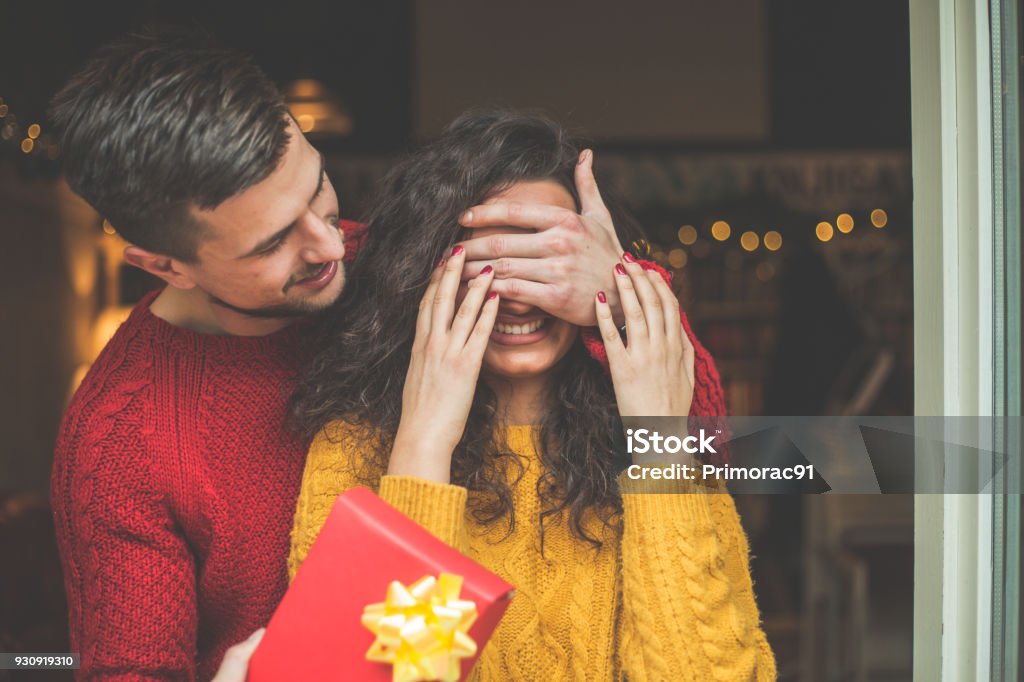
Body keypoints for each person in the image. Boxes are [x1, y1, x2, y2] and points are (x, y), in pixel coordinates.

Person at [48, 30, 726, 679]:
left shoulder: (401, 267)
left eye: (316, 187)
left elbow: (711, 447)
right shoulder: (117, 445)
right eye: (272, 243)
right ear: (164, 264)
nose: (329, 243)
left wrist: (621, 295)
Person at [288, 110, 775, 680]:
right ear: (423, 276)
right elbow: (384, 671)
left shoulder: (662, 449)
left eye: (546, 260)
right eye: (487, 262)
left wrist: (659, 444)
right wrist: (422, 448)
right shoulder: (352, 452)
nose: (519, 296)